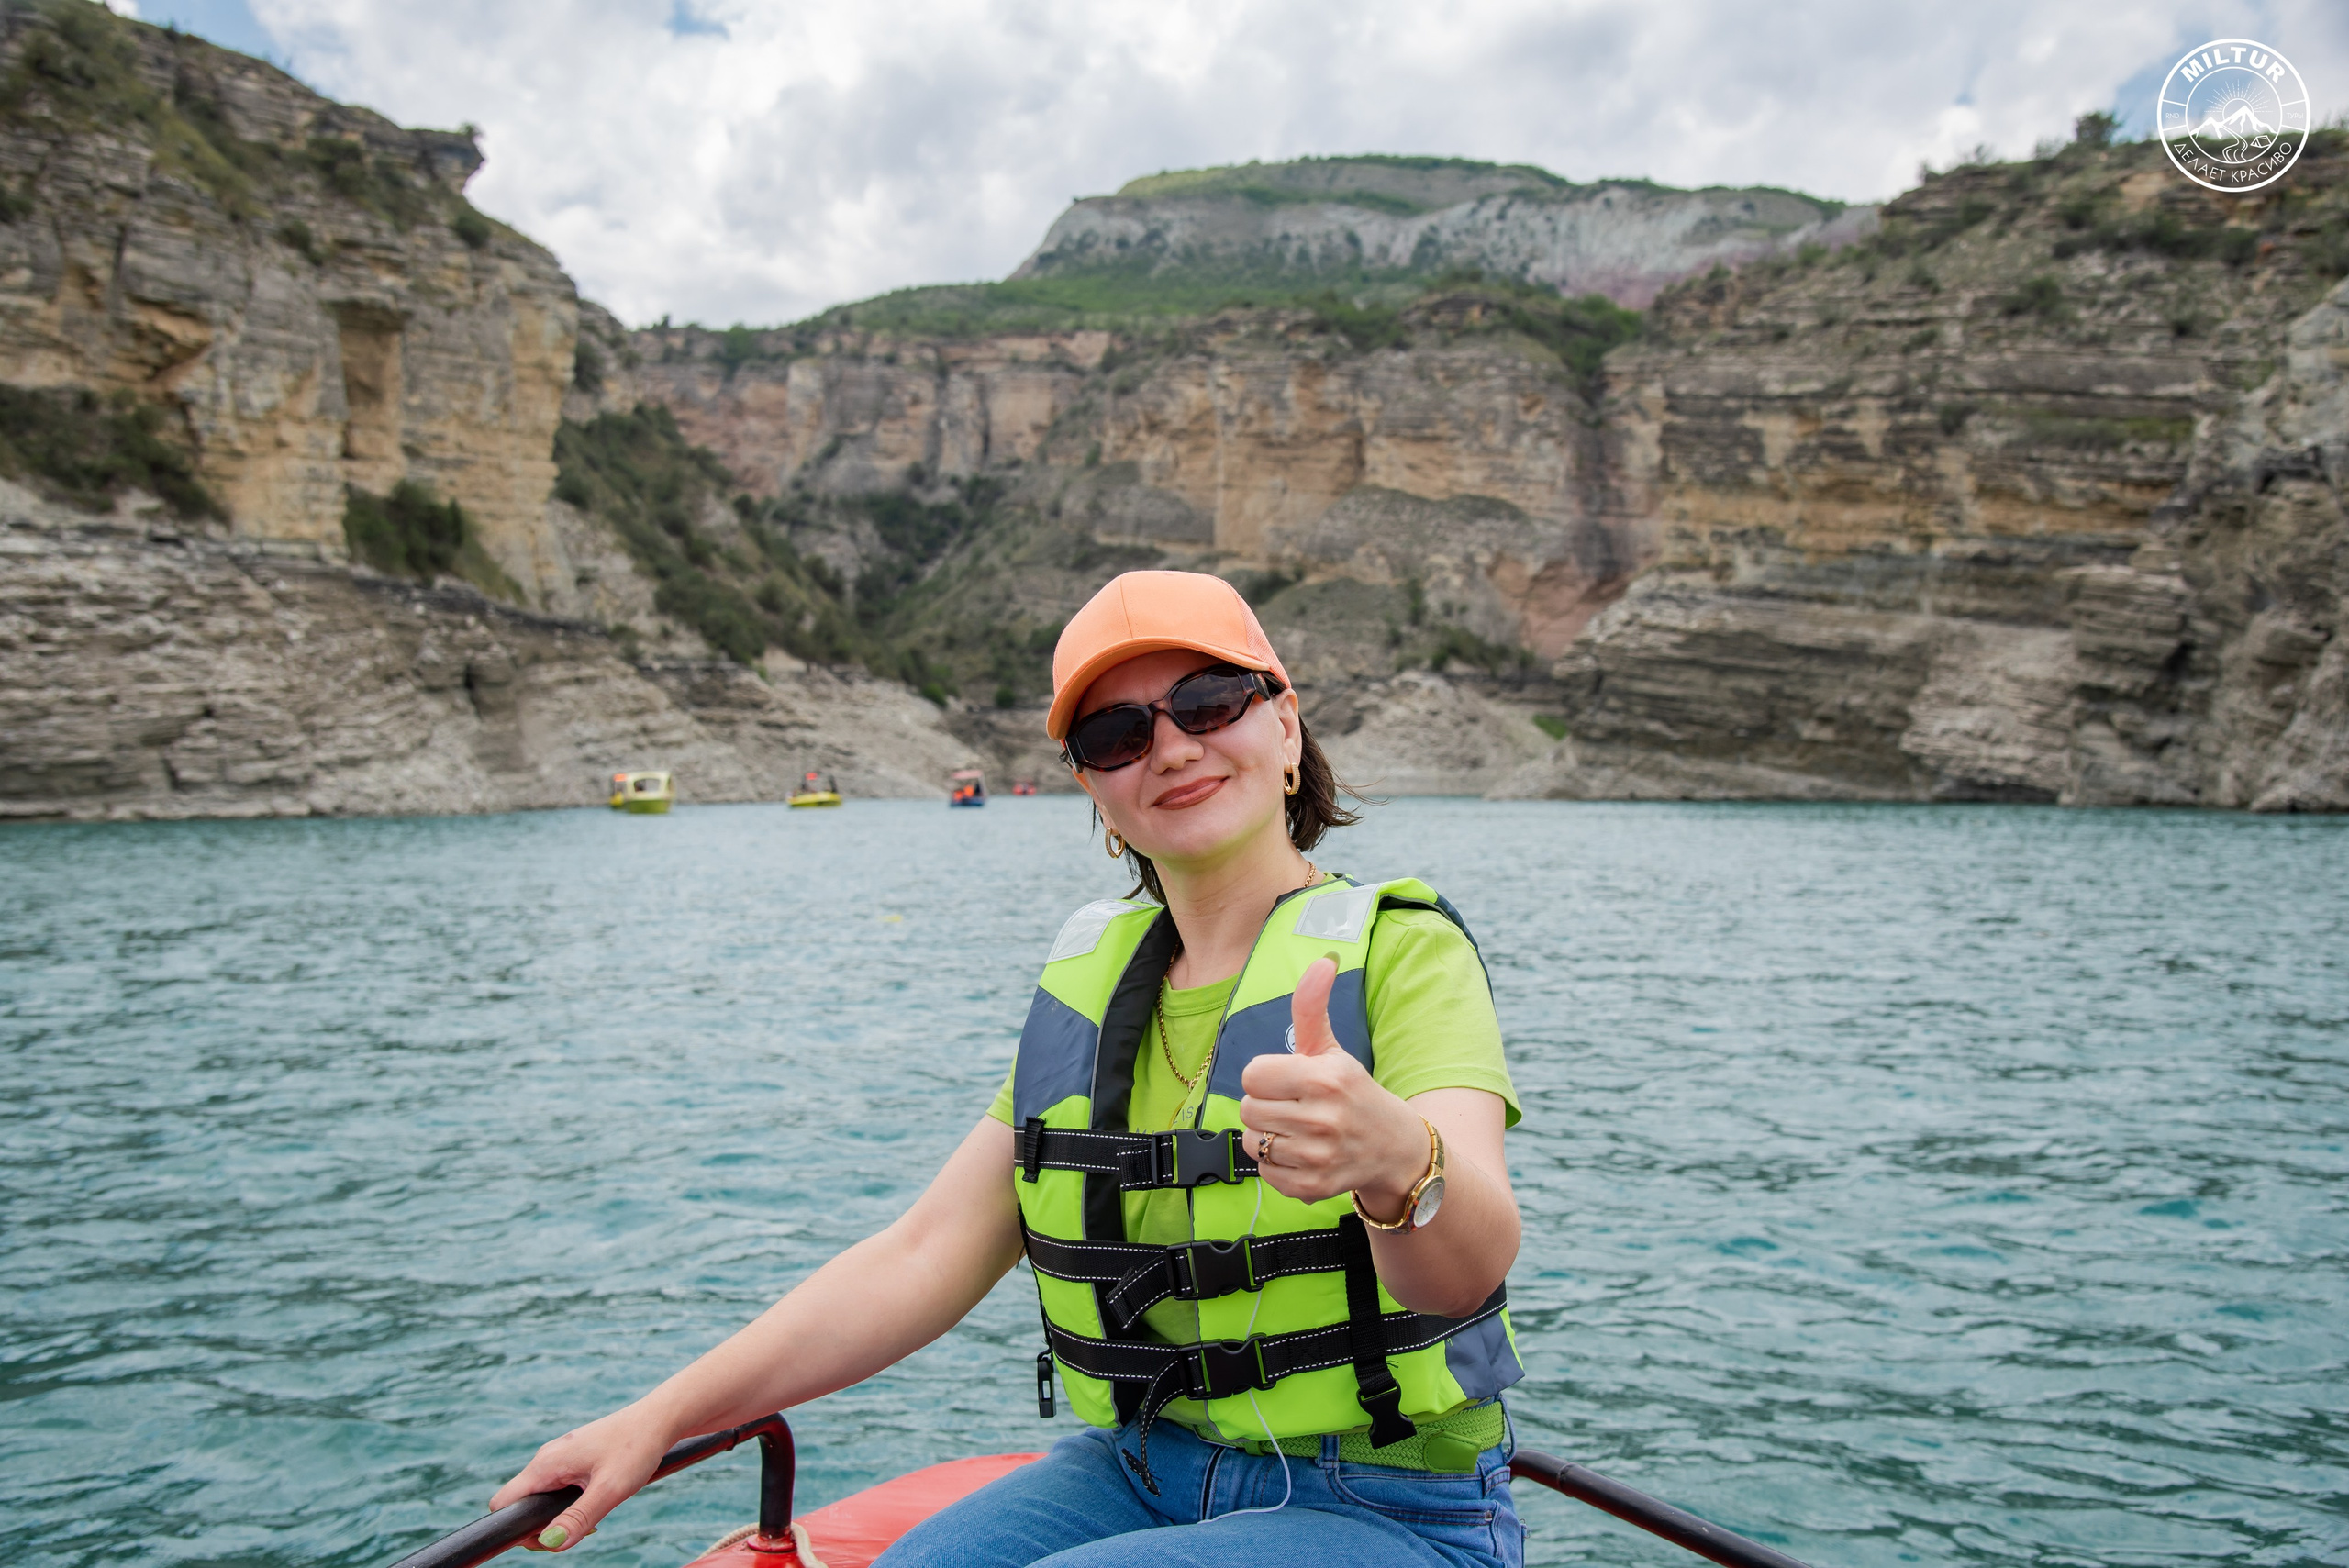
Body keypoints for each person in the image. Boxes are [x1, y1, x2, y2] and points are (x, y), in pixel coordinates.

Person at [493, 570, 1528, 1567]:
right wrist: (656, 1417)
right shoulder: (1092, 987)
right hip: (1138, 1469)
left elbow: (1468, 1264)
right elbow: (919, 1254)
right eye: (1118, 734)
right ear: (1092, 784)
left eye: (1209, 702)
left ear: (1285, 724)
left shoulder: (1404, 952)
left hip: (1390, 1504)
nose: (1170, 748)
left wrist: (1396, 1161)